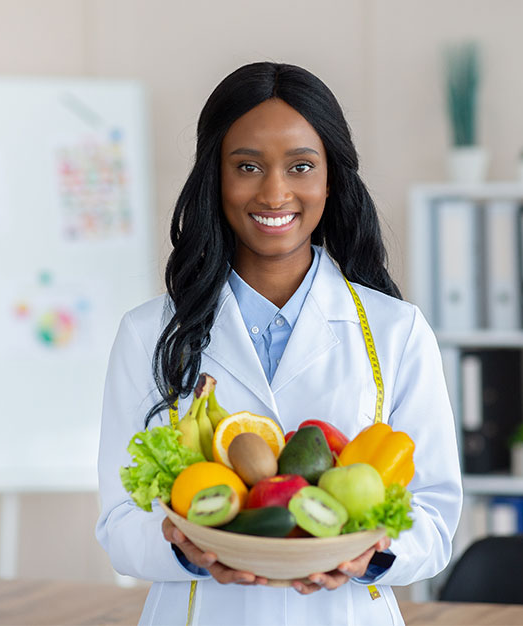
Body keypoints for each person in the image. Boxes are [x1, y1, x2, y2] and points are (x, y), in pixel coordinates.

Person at [96, 61, 462, 626]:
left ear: (330, 178)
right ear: (214, 178)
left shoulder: (397, 331)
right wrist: (180, 545)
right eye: (247, 166)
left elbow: (435, 518)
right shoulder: (148, 333)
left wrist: (371, 556)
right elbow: (120, 521)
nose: (274, 192)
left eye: (300, 166)